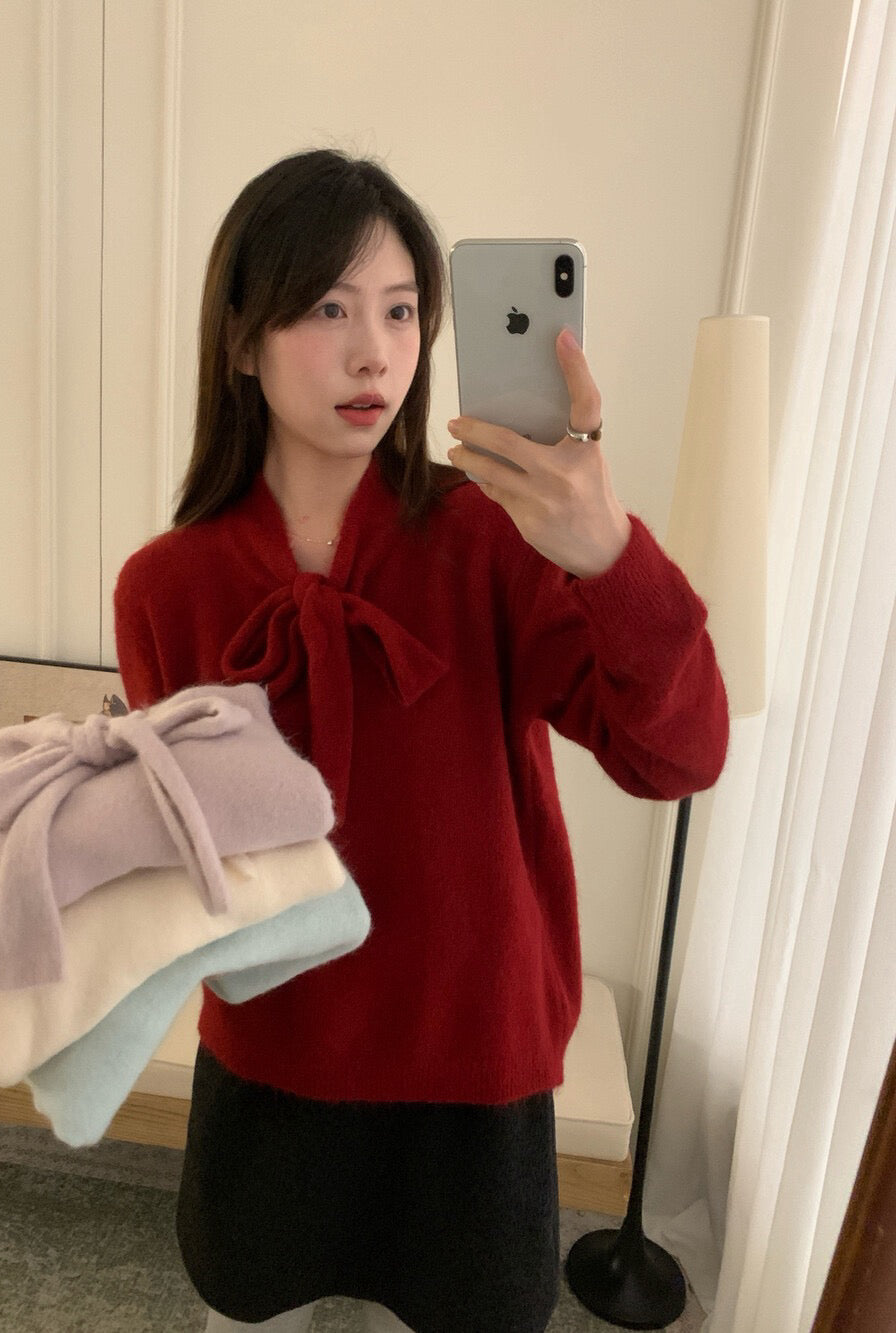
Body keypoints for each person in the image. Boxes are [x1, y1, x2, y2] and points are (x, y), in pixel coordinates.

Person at [113, 148, 729, 1333]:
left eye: (400, 311)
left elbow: (678, 757)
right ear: (239, 339)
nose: (373, 354)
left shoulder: (494, 540)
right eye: (326, 308)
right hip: (274, 1053)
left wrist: (610, 556)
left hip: (473, 1070)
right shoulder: (167, 587)